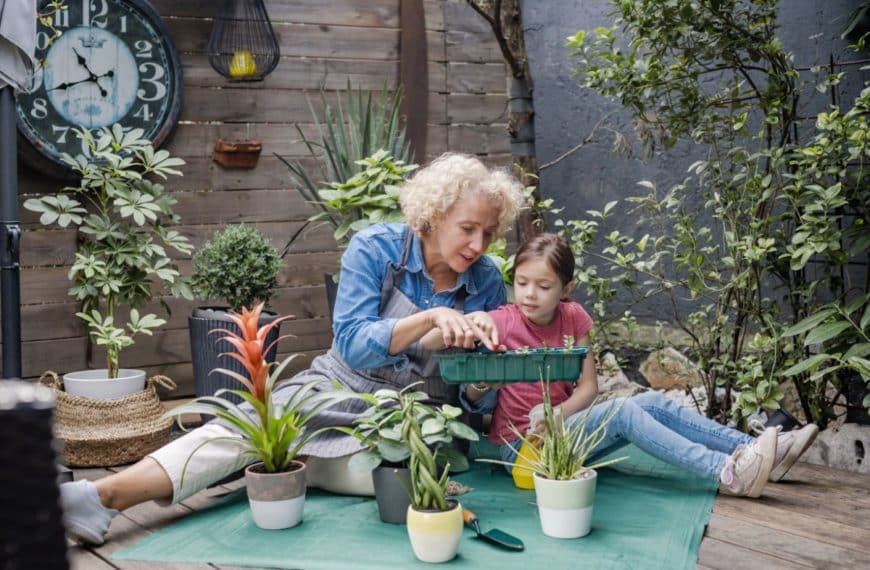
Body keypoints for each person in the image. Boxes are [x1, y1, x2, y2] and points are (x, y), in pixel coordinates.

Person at [59, 152, 526, 545]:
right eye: (468, 228)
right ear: (436, 213)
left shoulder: (484, 280)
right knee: (247, 429)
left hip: (411, 419)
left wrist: (482, 374)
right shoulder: (376, 249)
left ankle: (293, 468)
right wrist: (428, 318)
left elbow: (472, 400)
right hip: (336, 389)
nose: (478, 244)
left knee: (407, 478)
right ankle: (100, 498)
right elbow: (354, 346)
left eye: (488, 233)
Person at [458, 233, 819, 497]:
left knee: (653, 402)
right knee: (624, 413)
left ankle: (758, 451)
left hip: (561, 428)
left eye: (543, 285)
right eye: (521, 283)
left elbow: (588, 388)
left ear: (566, 288)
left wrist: (559, 412)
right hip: (522, 448)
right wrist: (477, 329)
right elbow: (473, 332)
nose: (529, 294)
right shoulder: (503, 321)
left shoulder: (574, 318)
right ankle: (727, 473)